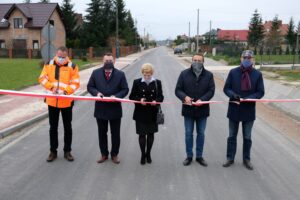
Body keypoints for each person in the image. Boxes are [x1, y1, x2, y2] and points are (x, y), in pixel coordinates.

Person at [223, 50, 265, 170]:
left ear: (253, 59)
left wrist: (249, 98)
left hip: (249, 109)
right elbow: (226, 88)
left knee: (247, 137)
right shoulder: (233, 72)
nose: (247, 59)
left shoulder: (257, 74)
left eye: (249, 57)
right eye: (244, 57)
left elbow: (260, 92)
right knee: (232, 136)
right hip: (234, 108)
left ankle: (246, 159)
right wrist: (233, 95)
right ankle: (230, 158)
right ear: (241, 58)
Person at [38, 46, 80, 162]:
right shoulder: (49, 64)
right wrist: (51, 88)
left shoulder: (72, 66)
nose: (61, 58)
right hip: (52, 101)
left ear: (67, 55)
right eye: (59, 56)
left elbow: (75, 83)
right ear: (56, 54)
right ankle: (53, 151)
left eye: (63, 57)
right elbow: (42, 78)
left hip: (66, 101)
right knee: (53, 128)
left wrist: (66, 91)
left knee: (68, 127)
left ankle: (67, 151)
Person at [87, 53, 129, 164]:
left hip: (115, 109)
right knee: (102, 133)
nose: (108, 63)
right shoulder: (95, 73)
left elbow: (125, 89)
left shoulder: (120, 74)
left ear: (114, 61)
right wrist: (96, 93)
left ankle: (114, 154)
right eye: (106, 61)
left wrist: (117, 96)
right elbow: (90, 86)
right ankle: (104, 154)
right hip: (101, 109)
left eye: (110, 60)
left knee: (115, 134)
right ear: (102, 61)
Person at [175, 53, 215, 166]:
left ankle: (199, 156)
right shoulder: (184, 74)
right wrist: (185, 97)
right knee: (188, 133)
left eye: (199, 60)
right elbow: (178, 90)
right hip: (188, 110)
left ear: (203, 62)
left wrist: (203, 99)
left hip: (202, 110)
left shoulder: (209, 75)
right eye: (195, 60)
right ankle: (189, 156)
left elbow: (211, 91)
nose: (196, 62)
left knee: (201, 133)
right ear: (191, 60)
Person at [129, 63, 164, 165]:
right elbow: (131, 96)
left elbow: (161, 97)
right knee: (142, 135)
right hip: (140, 113)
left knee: (151, 134)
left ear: (152, 73)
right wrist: (139, 100)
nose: (147, 76)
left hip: (153, 113)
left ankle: (148, 153)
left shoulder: (157, 82)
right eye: (145, 74)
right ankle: (142, 155)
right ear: (142, 73)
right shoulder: (137, 82)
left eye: (148, 74)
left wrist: (156, 101)